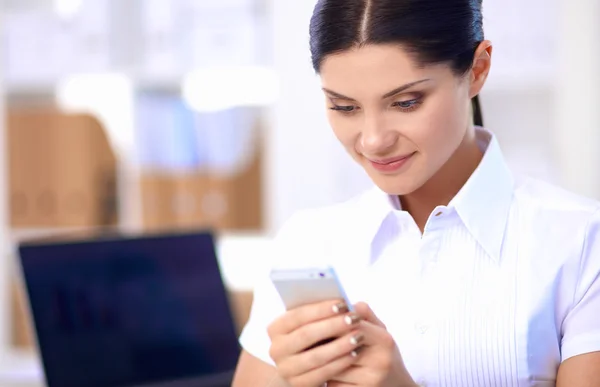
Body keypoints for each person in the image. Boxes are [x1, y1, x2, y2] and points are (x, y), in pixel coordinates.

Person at [232, 0, 600, 386]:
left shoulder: (581, 244)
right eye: (344, 107)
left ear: (477, 69)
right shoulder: (307, 242)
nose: (373, 140)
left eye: (406, 103)